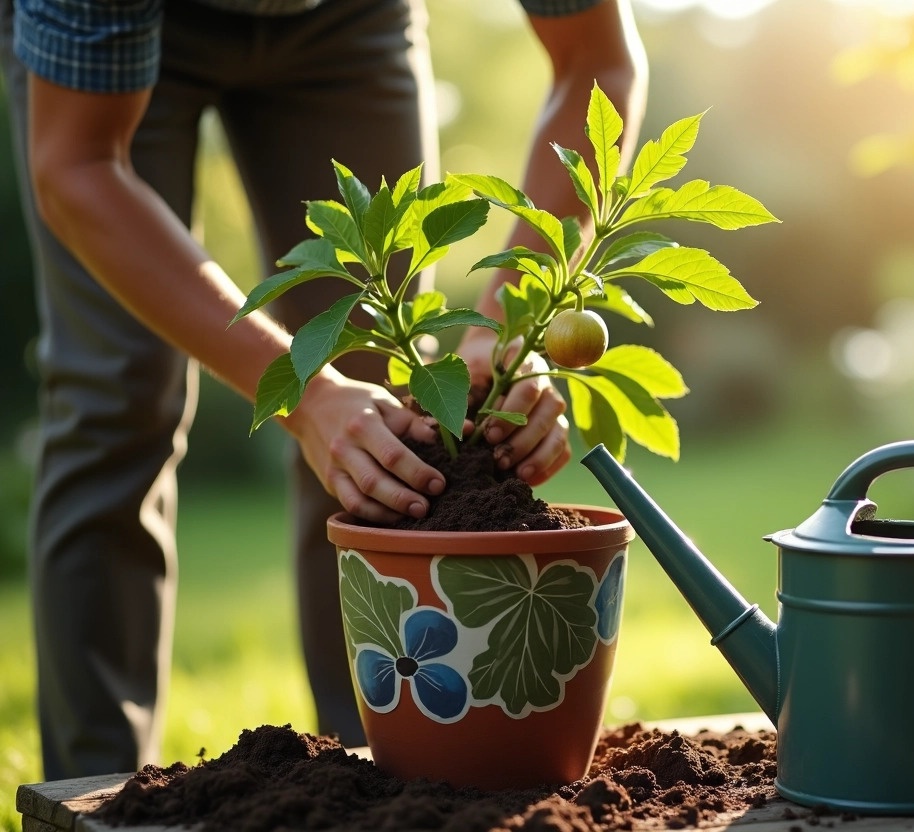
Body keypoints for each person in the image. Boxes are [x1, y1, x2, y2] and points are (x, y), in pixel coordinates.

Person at [0, 0, 647, 780]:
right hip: (125, 34)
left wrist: (507, 326)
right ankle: (92, 791)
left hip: (349, 22)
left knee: (381, 394)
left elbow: (596, 62)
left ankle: (384, 775)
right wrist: (303, 395)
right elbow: (75, 167)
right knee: (118, 396)